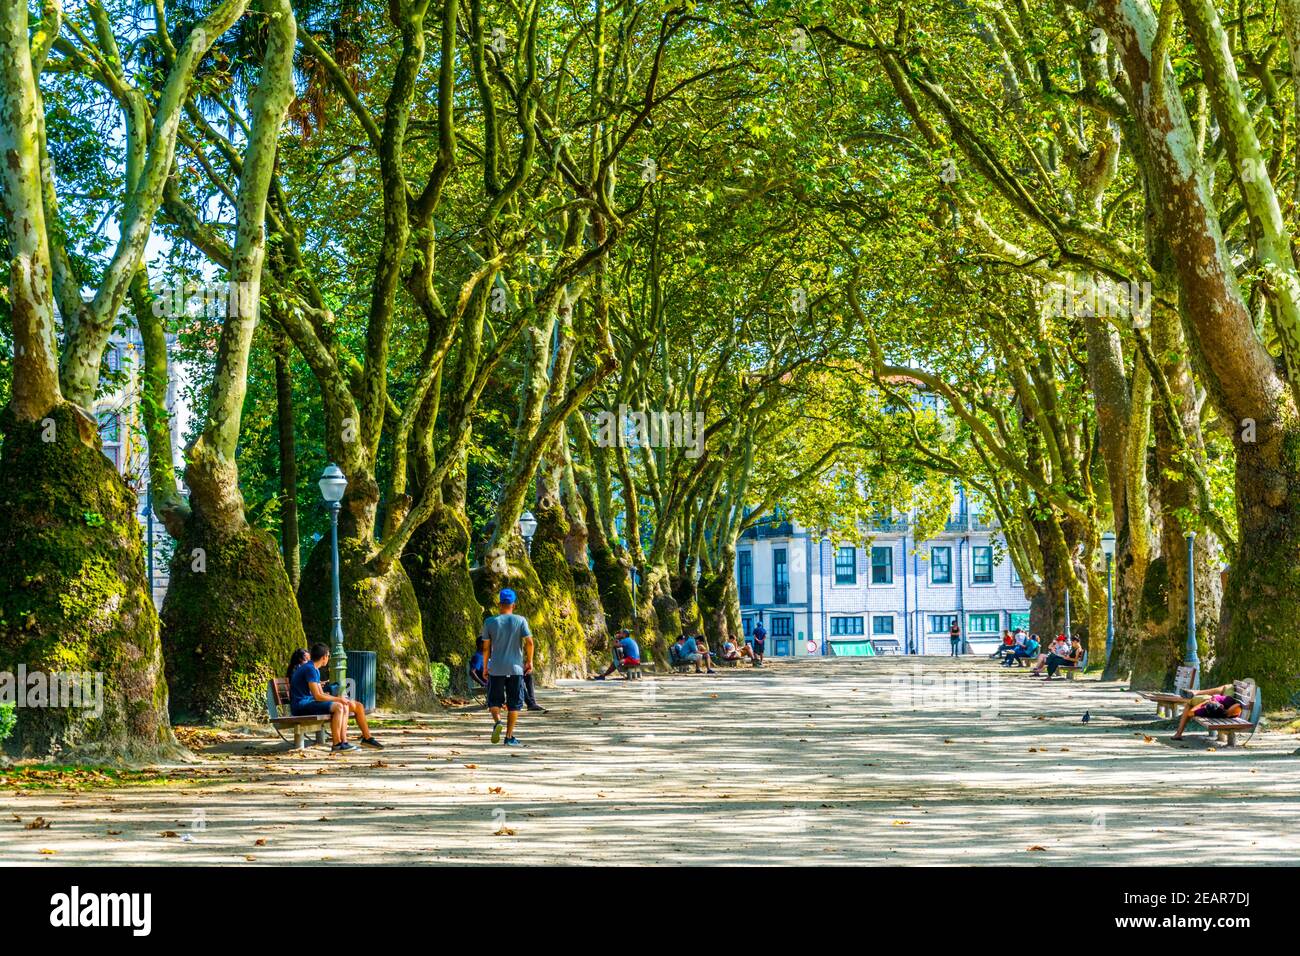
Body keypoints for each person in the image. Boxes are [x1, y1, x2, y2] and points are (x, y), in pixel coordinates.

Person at [287, 643, 381, 752]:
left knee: (350, 705)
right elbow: (317, 696)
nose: (328, 658)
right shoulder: (310, 669)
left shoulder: (314, 669)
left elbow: (320, 693)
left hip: (308, 702)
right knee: (339, 707)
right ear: (324, 657)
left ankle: (345, 742)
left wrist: (338, 698)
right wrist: (338, 699)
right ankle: (337, 744)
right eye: (328, 656)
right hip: (301, 705)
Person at [482, 588, 534, 747]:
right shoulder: (521, 620)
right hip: (515, 669)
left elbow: (485, 648)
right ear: (514, 604)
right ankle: (509, 736)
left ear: (499, 604)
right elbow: (530, 642)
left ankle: (498, 721)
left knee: (494, 701)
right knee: (514, 703)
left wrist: (485, 667)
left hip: (496, 668)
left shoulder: (490, 622)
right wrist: (529, 661)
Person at [1171, 685, 1244, 740]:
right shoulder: (1226, 700)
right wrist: (1226, 711)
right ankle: (1196, 692)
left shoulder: (1205, 710)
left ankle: (1197, 692)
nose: (1213, 699)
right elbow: (1238, 705)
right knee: (1227, 687)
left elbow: (1190, 713)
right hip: (1226, 707)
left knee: (1189, 704)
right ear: (1221, 705)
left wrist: (1204, 703)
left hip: (1211, 704)